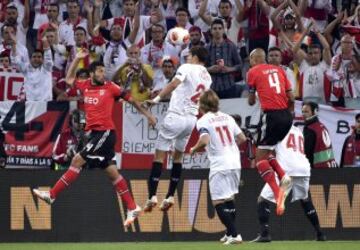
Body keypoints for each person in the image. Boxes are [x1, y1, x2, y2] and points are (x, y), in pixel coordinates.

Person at [33, 49, 157, 228]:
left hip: (105, 133)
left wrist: (148, 115)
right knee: (112, 173)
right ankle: (132, 206)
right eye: (99, 71)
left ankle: (51, 195)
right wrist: (77, 58)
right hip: (97, 135)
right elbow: (68, 79)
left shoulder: (110, 87)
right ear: (91, 74)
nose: (102, 73)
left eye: (103, 70)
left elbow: (132, 100)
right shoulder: (85, 86)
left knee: (76, 160)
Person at [143, 46, 212, 212]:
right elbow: (203, 100)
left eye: (189, 56)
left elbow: (174, 84)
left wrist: (157, 99)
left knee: (159, 156)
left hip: (176, 115)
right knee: (178, 157)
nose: (187, 58)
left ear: (195, 57)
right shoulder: (208, 77)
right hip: (191, 120)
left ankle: (152, 196)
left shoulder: (187, 67)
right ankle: (170, 196)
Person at [189, 90, 246, 245]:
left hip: (220, 164)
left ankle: (235, 234)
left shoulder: (203, 120)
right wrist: (229, 147)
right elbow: (242, 138)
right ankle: (229, 233)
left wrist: (193, 149)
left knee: (218, 201)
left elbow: (204, 140)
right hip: (235, 162)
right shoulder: (228, 117)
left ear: (202, 105)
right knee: (229, 198)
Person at [252, 125, 327, 242]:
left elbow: (267, 151)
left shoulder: (277, 127)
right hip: (303, 168)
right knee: (305, 199)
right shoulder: (298, 130)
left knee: (262, 200)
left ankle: (264, 234)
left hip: (287, 169)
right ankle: (320, 234)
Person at [247, 48, 294, 216]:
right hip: (287, 117)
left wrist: (253, 94)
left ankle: (277, 194)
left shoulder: (252, 71)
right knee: (268, 151)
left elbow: (251, 101)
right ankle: (283, 175)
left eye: (250, 59)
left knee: (260, 158)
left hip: (271, 116)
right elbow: (292, 97)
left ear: (253, 59)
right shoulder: (280, 70)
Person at [302, 101, 337, 168]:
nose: (303, 114)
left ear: (315, 112)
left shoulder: (310, 129)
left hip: (317, 168)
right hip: (329, 165)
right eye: (302, 111)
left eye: (306, 112)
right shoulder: (322, 126)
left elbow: (307, 154)